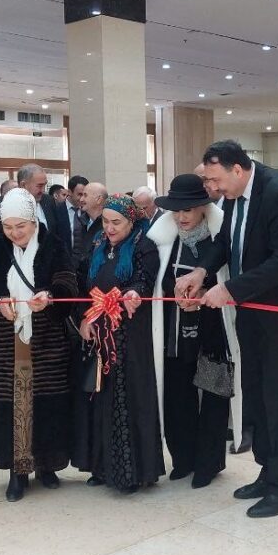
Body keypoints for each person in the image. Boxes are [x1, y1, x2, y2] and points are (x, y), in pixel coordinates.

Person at [177, 140, 278, 519]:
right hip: (251, 311)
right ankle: (267, 471)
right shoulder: (233, 196)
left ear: (237, 169)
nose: (211, 188)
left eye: (214, 180)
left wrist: (229, 290)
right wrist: (201, 272)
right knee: (255, 394)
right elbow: (225, 243)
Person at [0, 188, 76, 501]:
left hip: (47, 341)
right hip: (8, 342)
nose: (15, 233)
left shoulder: (54, 245)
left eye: (20, 226)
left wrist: (50, 297)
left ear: (34, 221)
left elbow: (68, 283)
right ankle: (17, 472)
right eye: (8, 227)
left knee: (47, 403)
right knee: (13, 404)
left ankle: (47, 465)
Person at [74, 194, 164, 494]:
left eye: (117, 223)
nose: (110, 228)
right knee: (99, 398)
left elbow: (143, 281)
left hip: (129, 335)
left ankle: (131, 472)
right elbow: (84, 286)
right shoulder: (98, 244)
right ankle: (101, 467)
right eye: (105, 222)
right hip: (99, 332)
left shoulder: (143, 246)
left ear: (131, 221)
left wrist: (134, 294)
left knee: (127, 398)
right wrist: (86, 318)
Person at [148, 175, 232, 488]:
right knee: (177, 396)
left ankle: (209, 463)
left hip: (212, 333)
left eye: (188, 210)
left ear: (203, 208)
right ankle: (183, 459)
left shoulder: (219, 239)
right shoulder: (164, 241)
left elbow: (228, 282)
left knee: (213, 396)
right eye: (176, 211)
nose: (181, 217)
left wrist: (205, 294)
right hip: (174, 334)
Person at [64, 175, 91, 264]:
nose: (82, 199)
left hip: (83, 263)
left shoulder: (88, 211)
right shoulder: (56, 209)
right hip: (63, 263)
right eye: (79, 194)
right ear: (69, 192)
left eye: (85, 195)